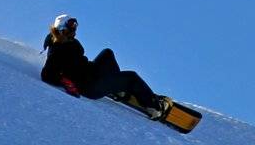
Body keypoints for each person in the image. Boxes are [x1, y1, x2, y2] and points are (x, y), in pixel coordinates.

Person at [40, 14, 168, 118]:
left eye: (75, 27)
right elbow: (46, 75)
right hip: (89, 87)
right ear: (62, 30)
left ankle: (119, 90)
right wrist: (65, 81)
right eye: (72, 28)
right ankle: (155, 108)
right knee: (131, 77)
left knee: (107, 53)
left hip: (89, 73)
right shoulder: (57, 51)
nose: (75, 31)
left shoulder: (69, 41)